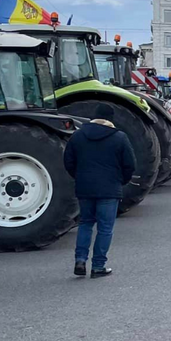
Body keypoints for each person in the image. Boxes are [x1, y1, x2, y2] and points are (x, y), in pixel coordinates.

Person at [63, 102, 136, 279]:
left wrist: (80, 177)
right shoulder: (119, 137)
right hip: (110, 189)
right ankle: (98, 266)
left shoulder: (78, 136)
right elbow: (130, 165)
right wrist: (120, 181)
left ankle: (80, 260)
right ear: (110, 119)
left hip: (85, 188)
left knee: (86, 223)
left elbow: (68, 161)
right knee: (105, 228)